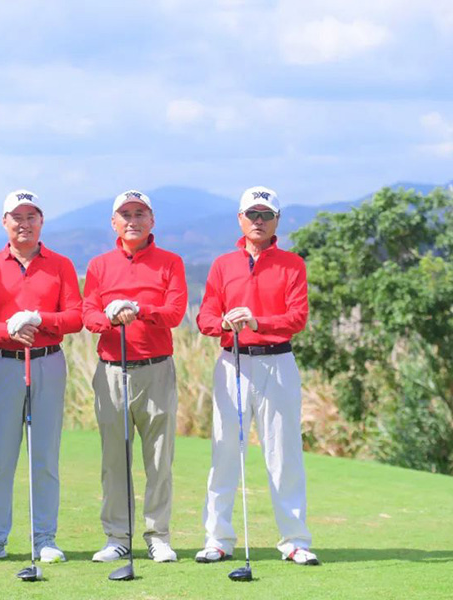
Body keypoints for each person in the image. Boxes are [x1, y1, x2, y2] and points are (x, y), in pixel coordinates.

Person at [195, 186, 319, 566]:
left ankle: (295, 540)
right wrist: (224, 323)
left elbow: (297, 317)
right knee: (224, 453)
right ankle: (218, 539)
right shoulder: (222, 265)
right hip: (233, 361)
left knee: (284, 454)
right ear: (240, 218)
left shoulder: (292, 264)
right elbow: (205, 317)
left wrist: (257, 321)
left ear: (277, 220)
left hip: (277, 364)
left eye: (266, 215)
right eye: (252, 214)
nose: (259, 221)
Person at [0, 189, 83, 564]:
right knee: (1, 458)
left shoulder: (60, 265)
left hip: (48, 362)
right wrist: (8, 330)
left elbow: (75, 317)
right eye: (17, 217)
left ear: (41, 221)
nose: (24, 224)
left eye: (31, 216)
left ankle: (44, 538)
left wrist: (39, 319)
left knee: (44, 458)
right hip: (3, 364)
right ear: (4, 222)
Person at [82, 190, 187, 563]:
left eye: (140, 213)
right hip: (112, 370)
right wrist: (110, 318)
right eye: (125, 214)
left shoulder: (170, 262)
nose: (133, 220)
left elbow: (175, 312)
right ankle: (117, 537)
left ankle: (158, 535)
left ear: (152, 219)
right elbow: (88, 314)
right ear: (114, 222)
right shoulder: (99, 266)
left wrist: (139, 310)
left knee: (159, 459)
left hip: (156, 369)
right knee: (114, 460)